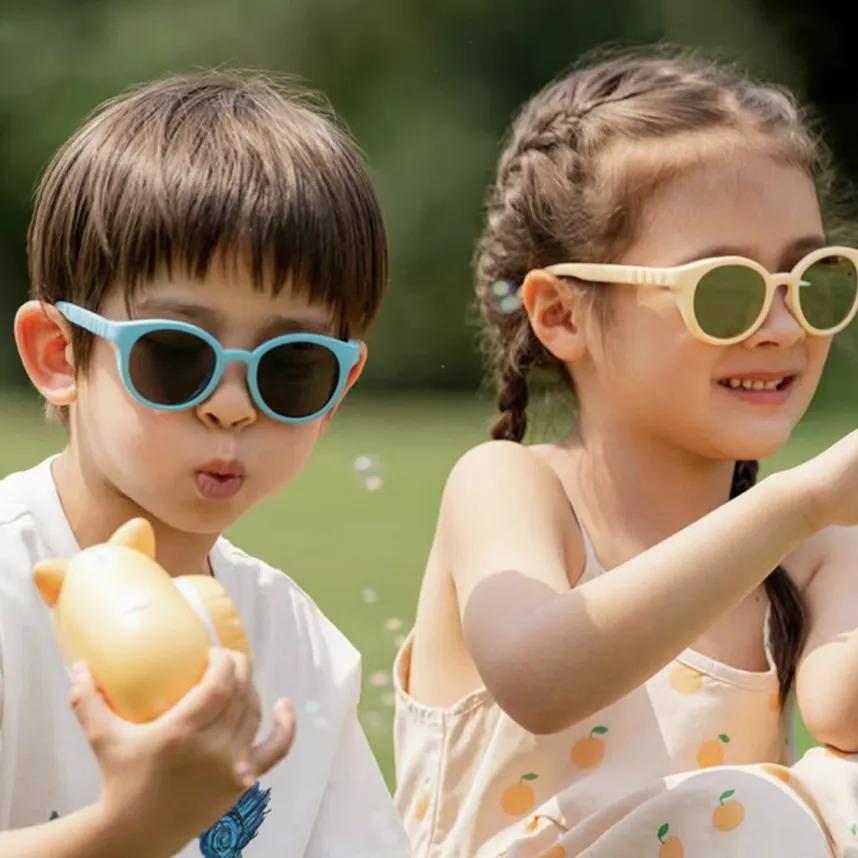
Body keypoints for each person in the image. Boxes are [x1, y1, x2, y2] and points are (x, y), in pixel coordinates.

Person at [394, 48, 858, 857]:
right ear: (561, 313)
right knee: (760, 813)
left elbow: (844, 714)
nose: (784, 327)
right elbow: (540, 678)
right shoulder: (511, 488)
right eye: (725, 288)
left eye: (813, 281)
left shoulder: (819, 548)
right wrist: (796, 503)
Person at [1, 71, 409, 857]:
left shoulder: (301, 648)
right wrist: (128, 832)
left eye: (290, 367)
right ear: (60, 354)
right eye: (177, 355)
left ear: (339, 387)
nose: (231, 405)